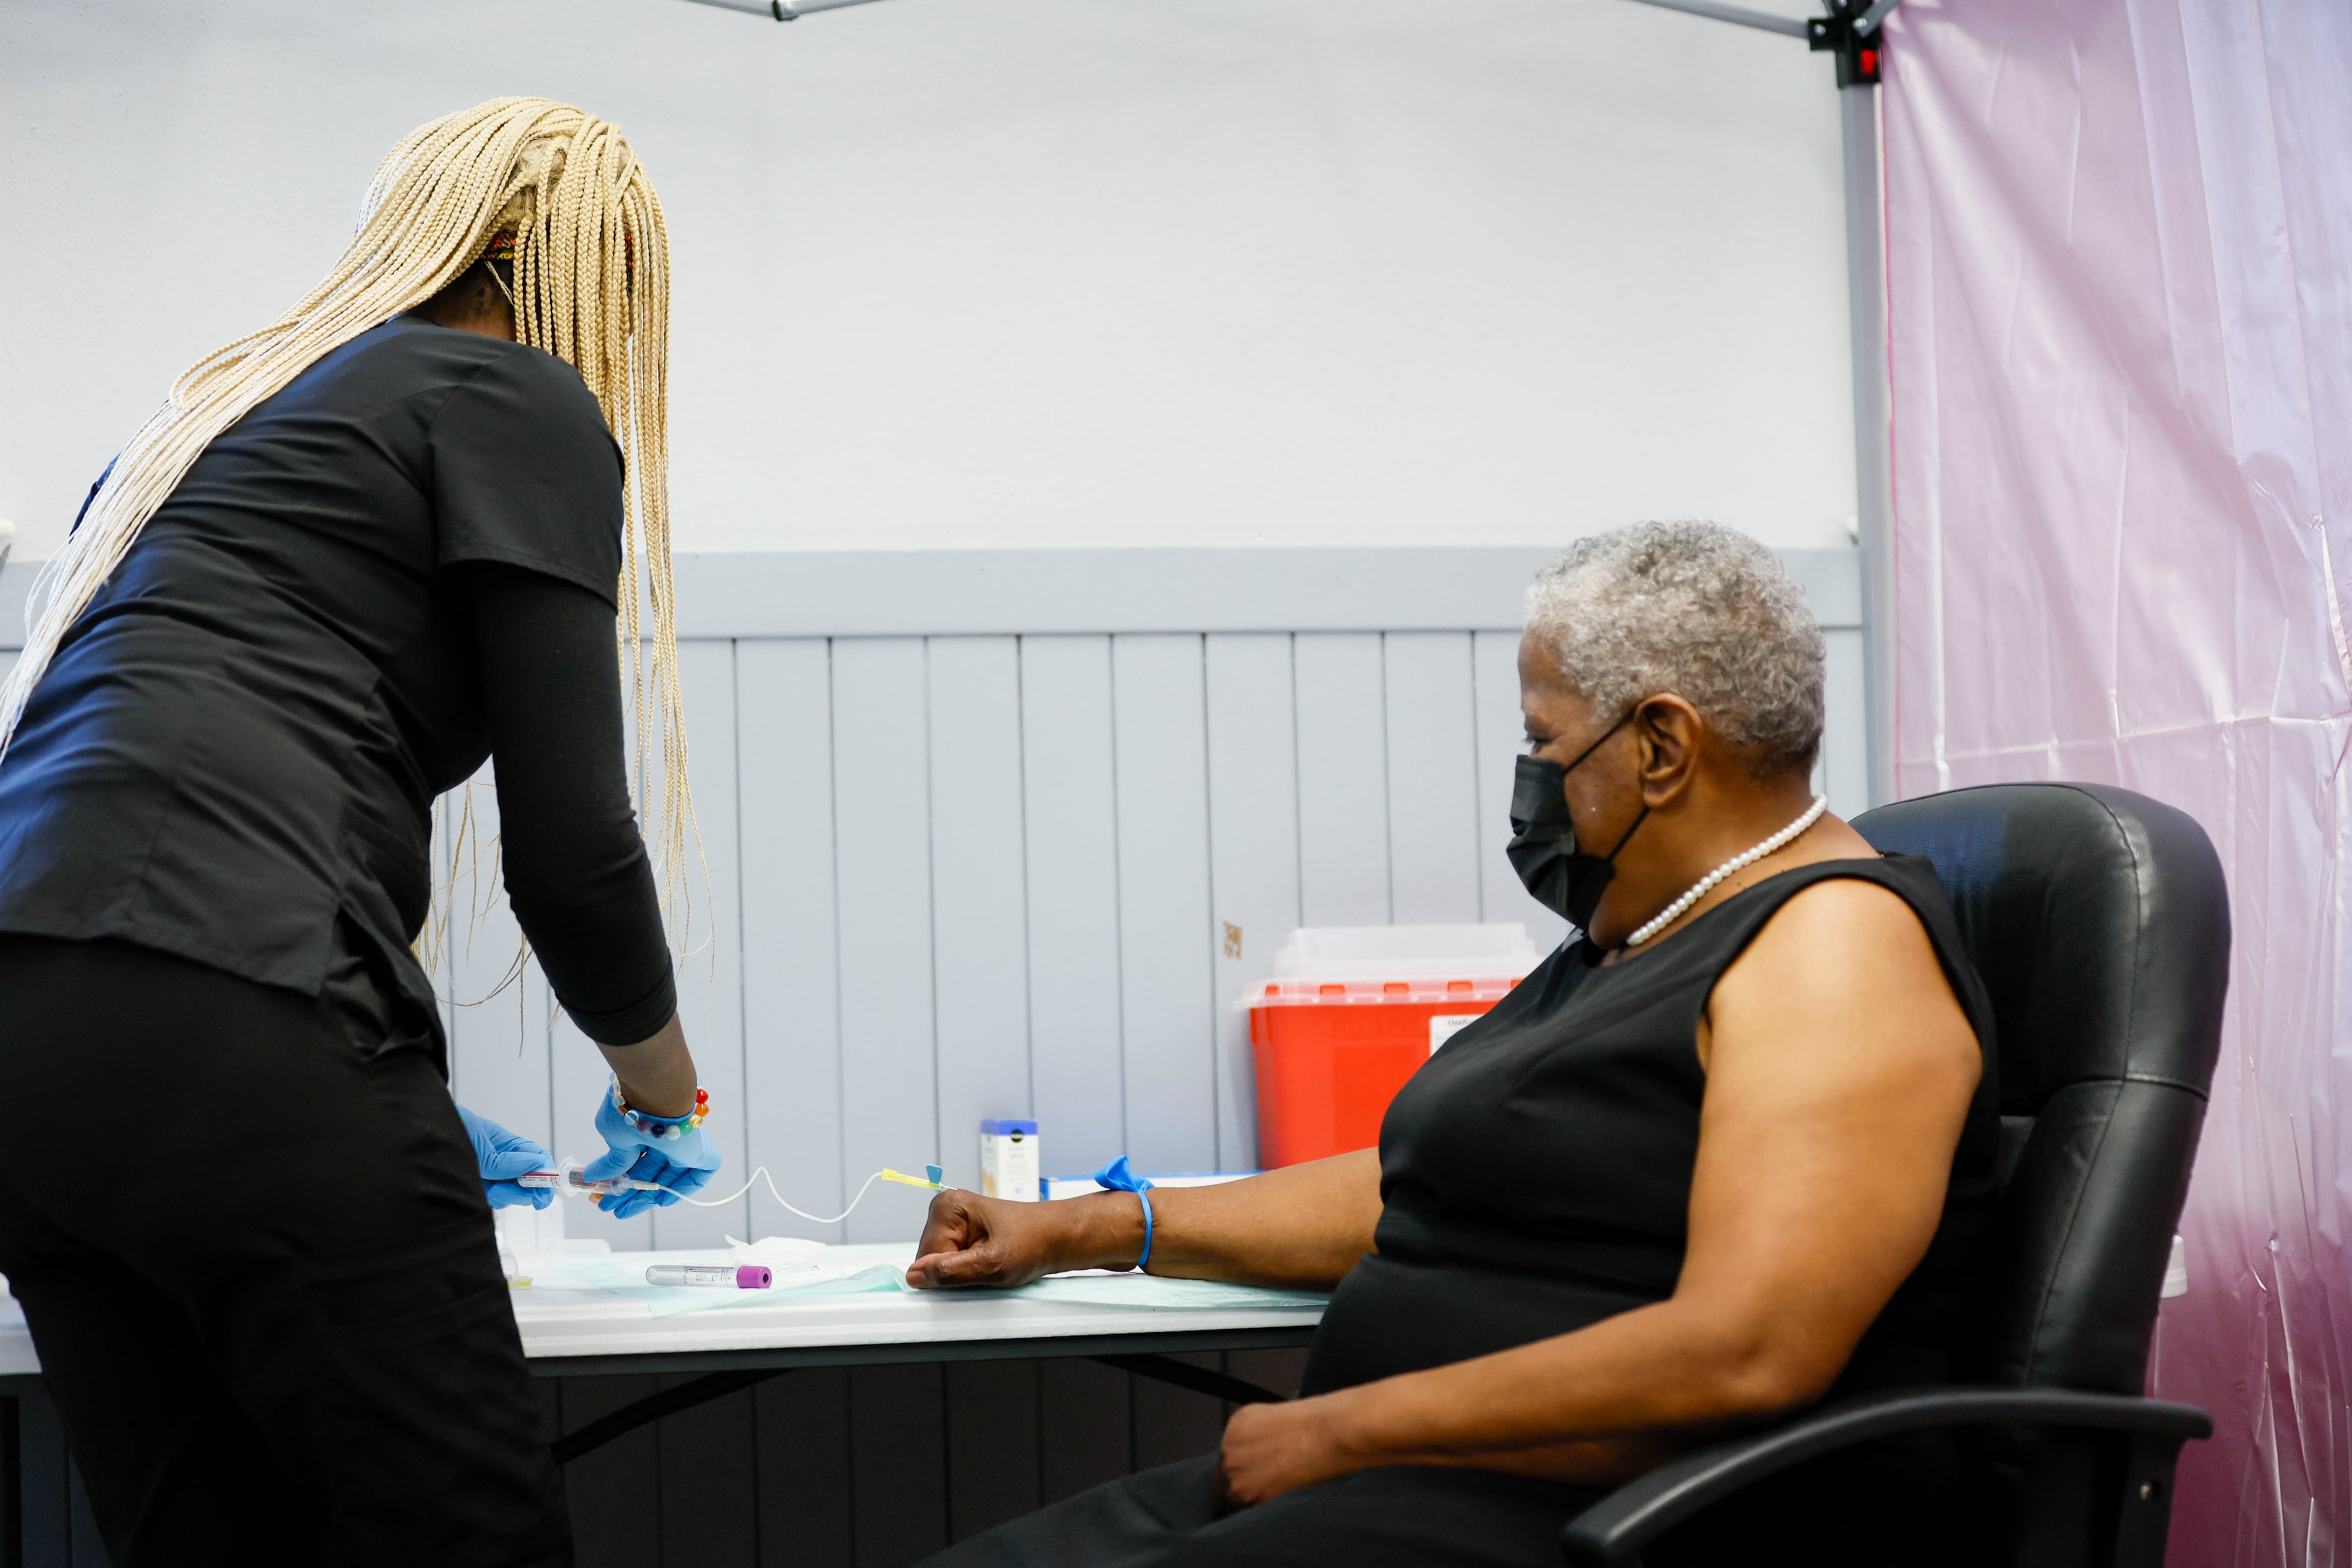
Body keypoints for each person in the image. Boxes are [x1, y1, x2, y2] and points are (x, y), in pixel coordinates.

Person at [903, 522, 1999, 1567]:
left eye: (1545, 741)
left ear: (1663, 747)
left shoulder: (1833, 947)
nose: (1532, 778)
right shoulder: (1638, 935)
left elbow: (1751, 1346)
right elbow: (1421, 1187)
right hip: (1412, 1486)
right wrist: (1073, 1227)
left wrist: (1350, 1429)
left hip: (1620, 1522)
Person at [0, 99, 719, 1566]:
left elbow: (171, 767)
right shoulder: (509, 398)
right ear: (565, 269)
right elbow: (575, 850)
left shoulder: (218, 419)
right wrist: (667, 1089)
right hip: (242, 1012)